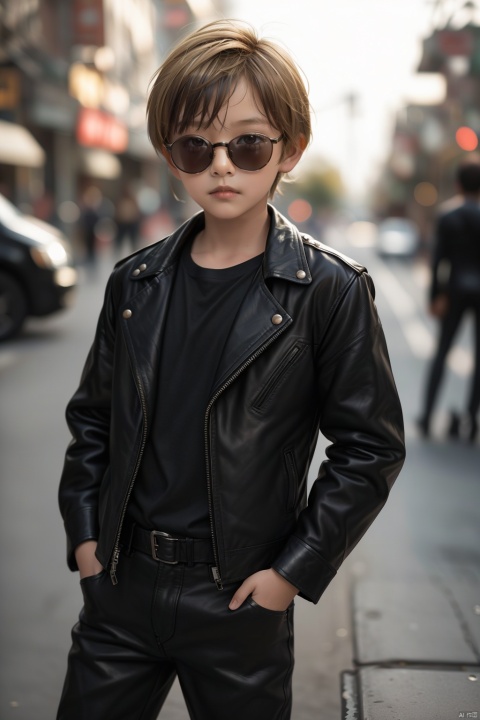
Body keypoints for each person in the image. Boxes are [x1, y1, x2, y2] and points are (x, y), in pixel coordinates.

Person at [57, 20, 405, 720]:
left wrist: (289, 575)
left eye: (247, 144)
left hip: (240, 599)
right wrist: (87, 542)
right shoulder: (136, 283)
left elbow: (370, 449)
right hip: (120, 591)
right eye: (196, 145)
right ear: (170, 155)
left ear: (289, 149)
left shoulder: (329, 290)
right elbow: (92, 420)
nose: (221, 165)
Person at [418, 159, 480, 442]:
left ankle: (428, 415)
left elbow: (437, 262)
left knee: (442, 352)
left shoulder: (448, 216)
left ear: (457, 184)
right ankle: (471, 419)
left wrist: (435, 296)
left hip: (453, 289)